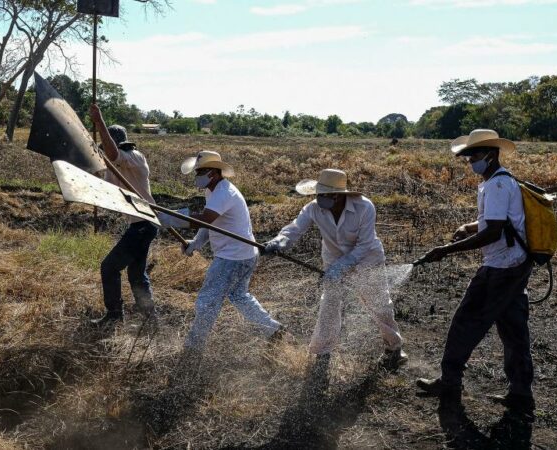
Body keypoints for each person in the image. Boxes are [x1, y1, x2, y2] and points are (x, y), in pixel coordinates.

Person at [415, 129, 534, 410]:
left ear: (491, 155)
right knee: (514, 329)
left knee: (465, 322)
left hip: (501, 267)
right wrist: (469, 227)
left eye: (474, 155)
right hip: (515, 263)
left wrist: (445, 251)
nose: (470, 161)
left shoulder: (496, 185)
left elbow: (493, 232)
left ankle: (450, 381)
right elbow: (500, 222)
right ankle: (521, 393)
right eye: (468, 155)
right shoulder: (499, 181)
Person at [264, 169, 407, 369]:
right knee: (330, 302)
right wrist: (280, 240)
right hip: (333, 257)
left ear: (338, 195)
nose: (319, 198)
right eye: (318, 194)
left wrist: (341, 267)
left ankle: (394, 348)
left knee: (377, 302)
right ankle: (323, 352)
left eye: (324, 195)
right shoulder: (314, 208)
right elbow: (295, 228)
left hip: (367, 259)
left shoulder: (364, 207)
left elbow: (364, 245)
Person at [158, 150, 284, 351]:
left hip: (232, 257)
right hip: (245, 254)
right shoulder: (214, 191)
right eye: (197, 172)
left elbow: (205, 219)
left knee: (208, 301)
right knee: (239, 296)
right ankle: (272, 329)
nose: (197, 176)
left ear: (214, 173)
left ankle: (193, 347)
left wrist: (172, 218)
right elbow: (211, 224)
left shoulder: (224, 193)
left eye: (201, 172)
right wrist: (195, 244)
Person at [89, 104, 158, 326]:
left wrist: (98, 121)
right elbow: (104, 186)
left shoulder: (134, 157)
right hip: (139, 224)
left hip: (144, 224)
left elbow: (112, 153)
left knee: (109, 267)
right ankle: (150, 320)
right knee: (137, 276)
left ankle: (114, 316)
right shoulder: (114, 166)